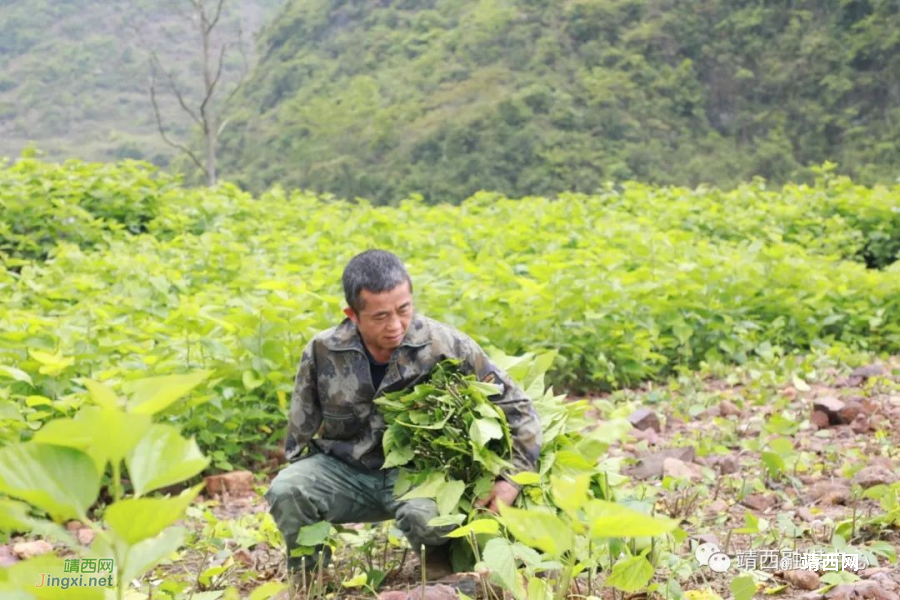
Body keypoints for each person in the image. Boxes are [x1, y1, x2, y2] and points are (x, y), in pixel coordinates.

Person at [265, 249, 542, 577]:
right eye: (380, 317)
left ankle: (440, 565)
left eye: (403, 310)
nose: (395, 326)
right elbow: (298, 439)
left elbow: (518, 409)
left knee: (426, 519)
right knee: (287, 489)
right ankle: (309, 581)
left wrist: (511, 480)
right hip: (346, 471)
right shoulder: (323, 351)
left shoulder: (446, 347)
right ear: (352, 314)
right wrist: (305, 499)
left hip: (419, 477)